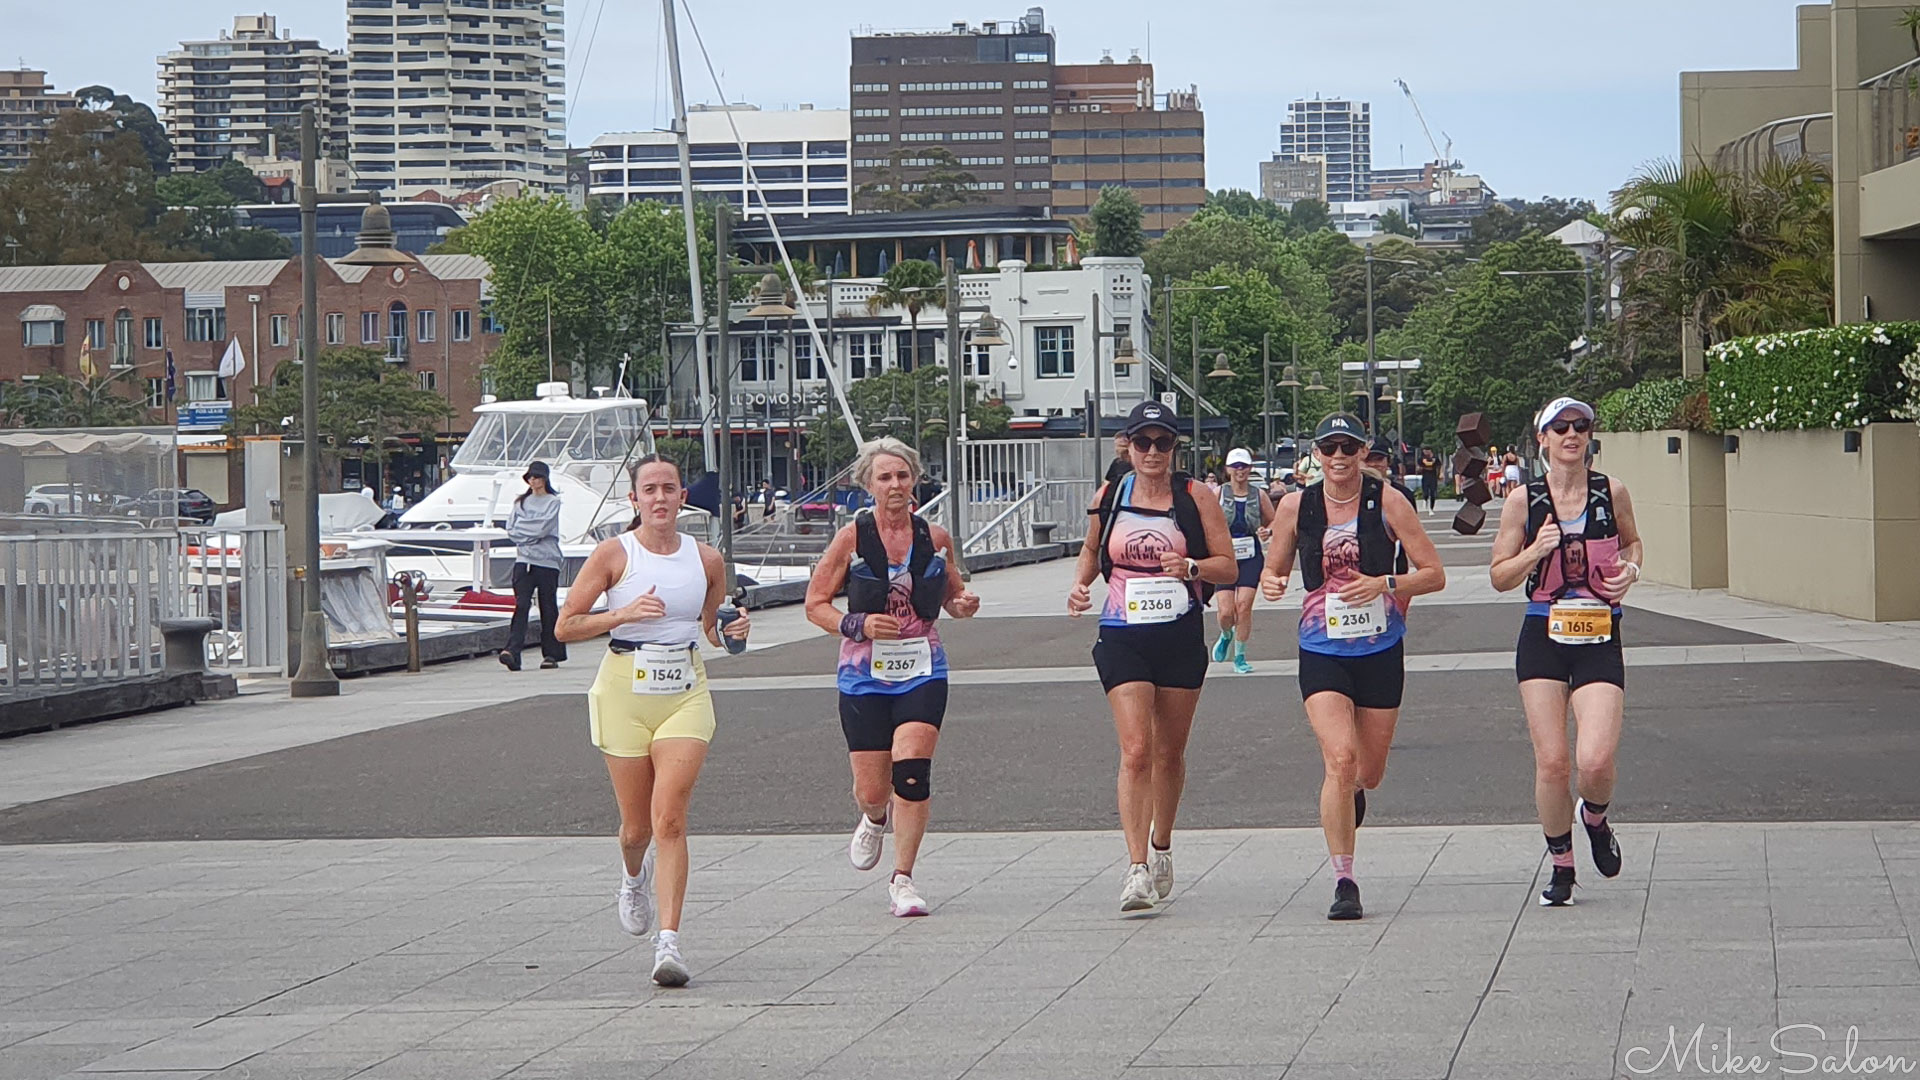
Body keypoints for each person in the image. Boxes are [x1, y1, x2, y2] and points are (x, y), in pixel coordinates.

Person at [554, 454, 751, 987]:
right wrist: (622, 613)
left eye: (669, 488)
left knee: (670, 818)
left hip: (685, 692)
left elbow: (711, 629)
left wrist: (734, 634)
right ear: (634, 499)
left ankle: (670, 943)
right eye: (650, 490)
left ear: (682, 496)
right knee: (636, 828)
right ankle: (631, 875)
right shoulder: (614, 554)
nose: (660, 498)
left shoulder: (707, 559)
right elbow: (564, 626)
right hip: (624, 690)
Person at [1261, 414, 1446, 921]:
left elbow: (1434, 575)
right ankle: (1344, 880)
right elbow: (1273, 570)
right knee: (1339, 760)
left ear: (1363, 451)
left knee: (1369, 770)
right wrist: (1271, 585)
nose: (1339, 457)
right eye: (1329, 448)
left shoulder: (1388, 501)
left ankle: (1355, 793)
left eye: (1348, 448)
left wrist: (1385, 584)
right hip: (1321, 648)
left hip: (1380, 647)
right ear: (1316, 454)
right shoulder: (1297, 505)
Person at [1068, 401, 1236, 914]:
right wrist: (1079, 587)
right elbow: (1093, 552)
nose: (1153, 452)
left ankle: (1162, 844)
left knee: (1169, 752)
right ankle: (1136, 867)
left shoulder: (1196, 497)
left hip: (1179, 632)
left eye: (1163, 443)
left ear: (1174, 448)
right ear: (1129, 446)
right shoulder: (1111, 495)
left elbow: (1227, 567)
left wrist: (1189, 566)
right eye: (1143, 442)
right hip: (1123, 632)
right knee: (1136, 748)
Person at [806, 438, 980, 918]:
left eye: (902, 475)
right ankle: (874, 816)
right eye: (884, 477)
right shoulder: (852, 539)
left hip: (923, 666)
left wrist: (961, 605)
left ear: (915, 479)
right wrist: (856, 624)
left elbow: (952, 594)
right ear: (868, 485)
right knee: (872, 787)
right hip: (864, 673)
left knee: (912, 767)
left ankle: (903, 878)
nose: (895, 485)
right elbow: (814, 604)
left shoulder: (935, 536)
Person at [1490, 397, 1643, 908]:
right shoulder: (1523, 500)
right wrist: (1535, 551)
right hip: (1543, 635)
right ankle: (1561, 865)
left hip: (1600, 632)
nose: (1571, 435)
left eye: (1580, 426)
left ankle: (1594, 818)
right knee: (1553, 762)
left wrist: (1631, 572)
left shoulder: (1611, 490)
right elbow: (1499, 576)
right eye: (1560, 428)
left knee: (1595, 760)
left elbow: (1633, 543)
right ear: (1543, 439)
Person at [1211, 448, 1275, 675]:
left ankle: (1240, 656)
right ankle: (1226, 634)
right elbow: (1206, 522)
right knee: (1226, 611)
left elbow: (1273, 521)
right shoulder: (1218, 493)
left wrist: (1267, 531)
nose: (1240, 471)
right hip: (1225, 556)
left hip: (1250, 555)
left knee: (1244, 605)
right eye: (1236, 467)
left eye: (1244, 466)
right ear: (1228, 470)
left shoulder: (1259, 495)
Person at [500, 460, 567, 672]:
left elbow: (543, 528)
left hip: (547, 561)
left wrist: (526, 533)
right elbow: (511, 530)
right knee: (521, 605)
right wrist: (529, 535)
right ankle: (512, 651)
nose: (533, 480)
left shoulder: (553, 502)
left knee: (548, 607)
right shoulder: (520, 502)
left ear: (544, 479)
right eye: (530, 477)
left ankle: (551, 654)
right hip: (524, 561)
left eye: (536, 476)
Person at [1417, 447, 1440, 511]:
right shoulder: (1421, 458)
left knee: (1433, 493)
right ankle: (1425, 500)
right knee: (1425, 491)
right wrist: (1419, 469)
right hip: (1425, 476)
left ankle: (1431, 507)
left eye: (1427, 451)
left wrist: (1440, 473)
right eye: (1424, 451)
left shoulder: (1435, 458)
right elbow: (1419, 467)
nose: (1425, 453)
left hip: (1433, 476)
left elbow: (1439, 466)